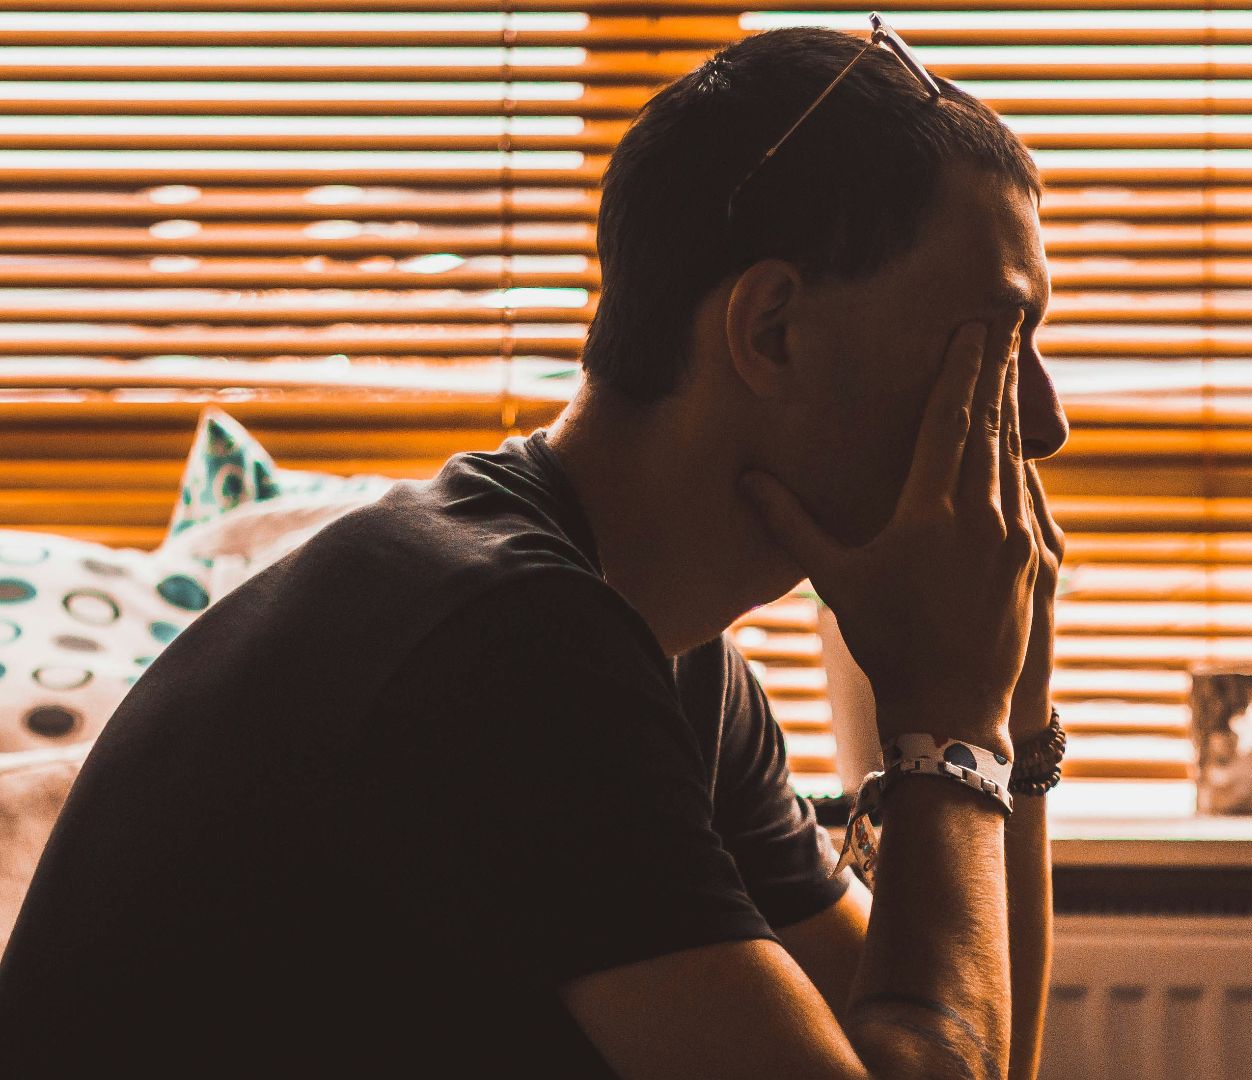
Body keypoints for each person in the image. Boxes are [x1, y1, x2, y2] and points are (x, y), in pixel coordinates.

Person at [0, 23, 1069, 1080]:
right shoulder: (505, 647)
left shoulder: (671, 659)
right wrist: (954, 728)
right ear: (770, 329)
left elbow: (968, 1051)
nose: (1045, 422)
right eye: (997, 339)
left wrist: (1007, 712)